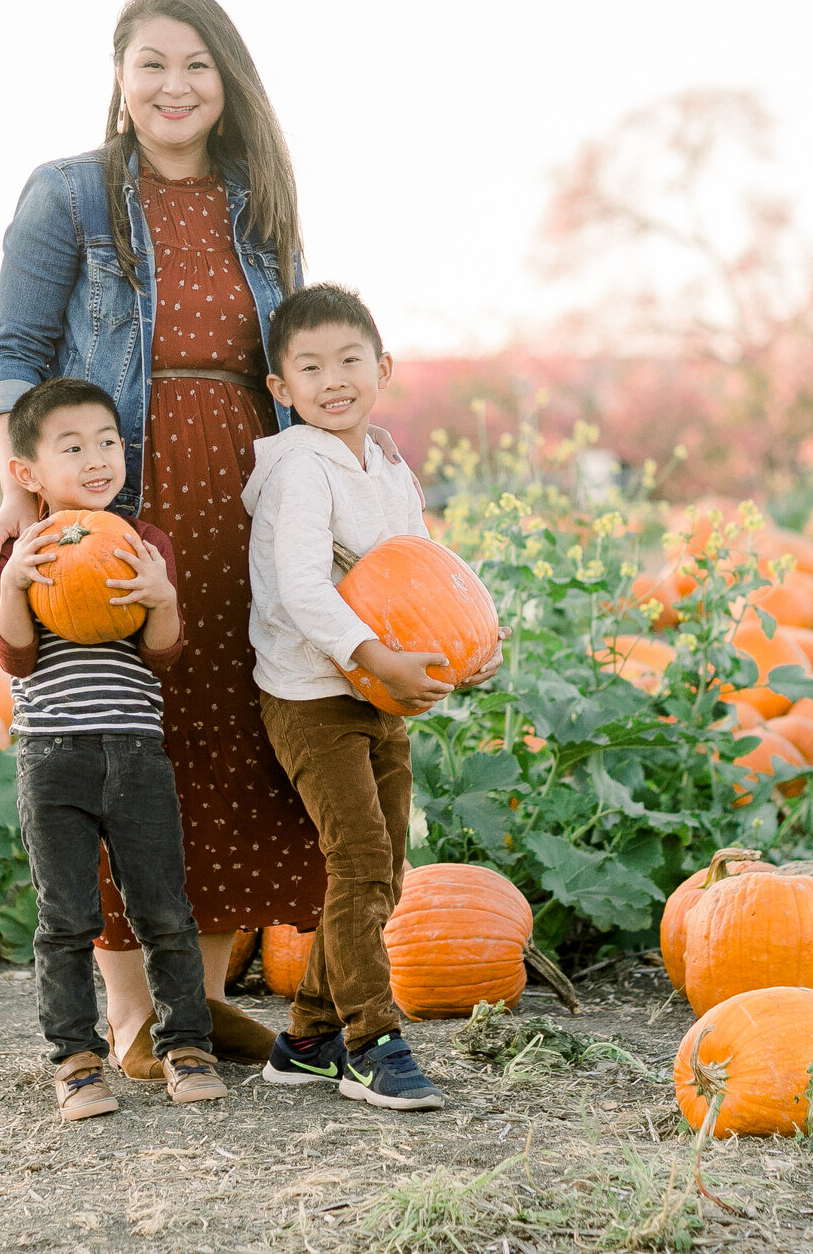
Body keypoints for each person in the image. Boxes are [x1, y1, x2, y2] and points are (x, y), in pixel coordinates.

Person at [0, 0, 327, 1078]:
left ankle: (199, 1001)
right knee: (131, 741)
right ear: (120, 79)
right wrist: (20, 495)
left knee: (230, 738)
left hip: (243, 488)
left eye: (198, 65)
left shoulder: (256, 202)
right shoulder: (70, 193)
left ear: (229, 83)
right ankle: (129, 1014)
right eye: (152, 64)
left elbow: (298, 357)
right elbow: (14, 352)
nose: (174, 86)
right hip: (117, 492)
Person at [243, 283, 474, 1112]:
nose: (332, 378)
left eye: (349, 359)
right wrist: (376, 654)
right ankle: (371, 1042)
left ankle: (306, 1037)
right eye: (309, 366)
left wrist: (455, 649)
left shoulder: (386, 461)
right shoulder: (301, 468)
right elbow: (305, 588)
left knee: (388, 872)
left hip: (378, 688)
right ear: (282, 389)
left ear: (383, 367)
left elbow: (418, 568)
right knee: (359, 859)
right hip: (312, 693)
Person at [0, 376, 227, 1118]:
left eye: (107, 442)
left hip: (135, 751)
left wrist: (163, 598)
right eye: (73, 447)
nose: (96, 459)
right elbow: (14, 659)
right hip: (52, 754)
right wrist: (18, 589)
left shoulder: (144, 542)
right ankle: (76, 1060)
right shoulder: (20, 548)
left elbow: (165, 652)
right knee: (64, 915)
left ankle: (186, 1045)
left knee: (163, 907)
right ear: (27, 471)